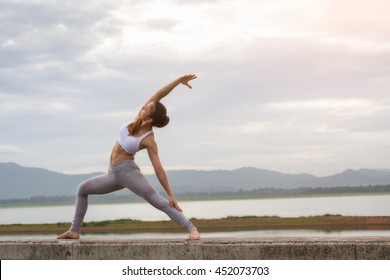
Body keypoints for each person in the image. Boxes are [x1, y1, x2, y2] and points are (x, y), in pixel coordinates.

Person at [57, 74, 200, 241]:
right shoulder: (136, 120)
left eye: (146, 108)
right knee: (82, 189)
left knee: (158, 201)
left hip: (128, 173)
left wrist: (170, 194)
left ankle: (192, 230)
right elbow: (159, 94)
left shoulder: (148, 140)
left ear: (148, 119)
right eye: (145, 106)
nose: (143, 107)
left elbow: (158, 168)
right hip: (112, 174)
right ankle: (74, 231)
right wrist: (178, 81)